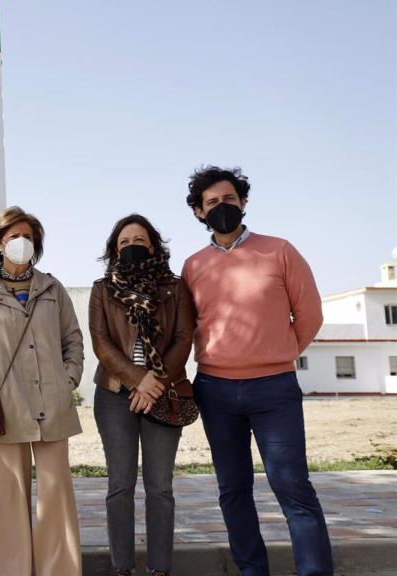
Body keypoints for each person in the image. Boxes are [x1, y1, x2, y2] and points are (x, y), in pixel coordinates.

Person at [181, 166, 331, 576]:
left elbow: (310, 315)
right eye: (211, 203)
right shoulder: (193, 266)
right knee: (233, 491)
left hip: (274, 391)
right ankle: (252, 572)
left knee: (293, 488)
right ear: (198, 212)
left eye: (229, 199)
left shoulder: (280, 250)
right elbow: (187, 326)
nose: (221, 207)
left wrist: (277, 354)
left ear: (243, 202)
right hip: (215, 392)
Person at [0, 206, 84, 576]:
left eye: (28, 236)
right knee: (9, 496)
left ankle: (59, 569)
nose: (21, 242)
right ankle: (13, 569)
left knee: (55, 494)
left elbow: (72, 339)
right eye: (13, 236)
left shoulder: (52, 287)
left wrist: (69, 378)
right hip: (5, 406)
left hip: (53, 403)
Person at [88, 214, 195, 576]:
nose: (132, 245)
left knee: (159, 487)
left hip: (165, 393)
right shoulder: (102, 289)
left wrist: (156, 383)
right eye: (124, 241)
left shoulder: (175, 288)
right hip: (114, 393)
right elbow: (101, 342)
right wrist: (137, 380)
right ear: (114, 250)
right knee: (120, 484)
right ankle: (122, 566)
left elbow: (184, 338)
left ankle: (159, 567)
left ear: (153, 245)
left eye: (139, 239)